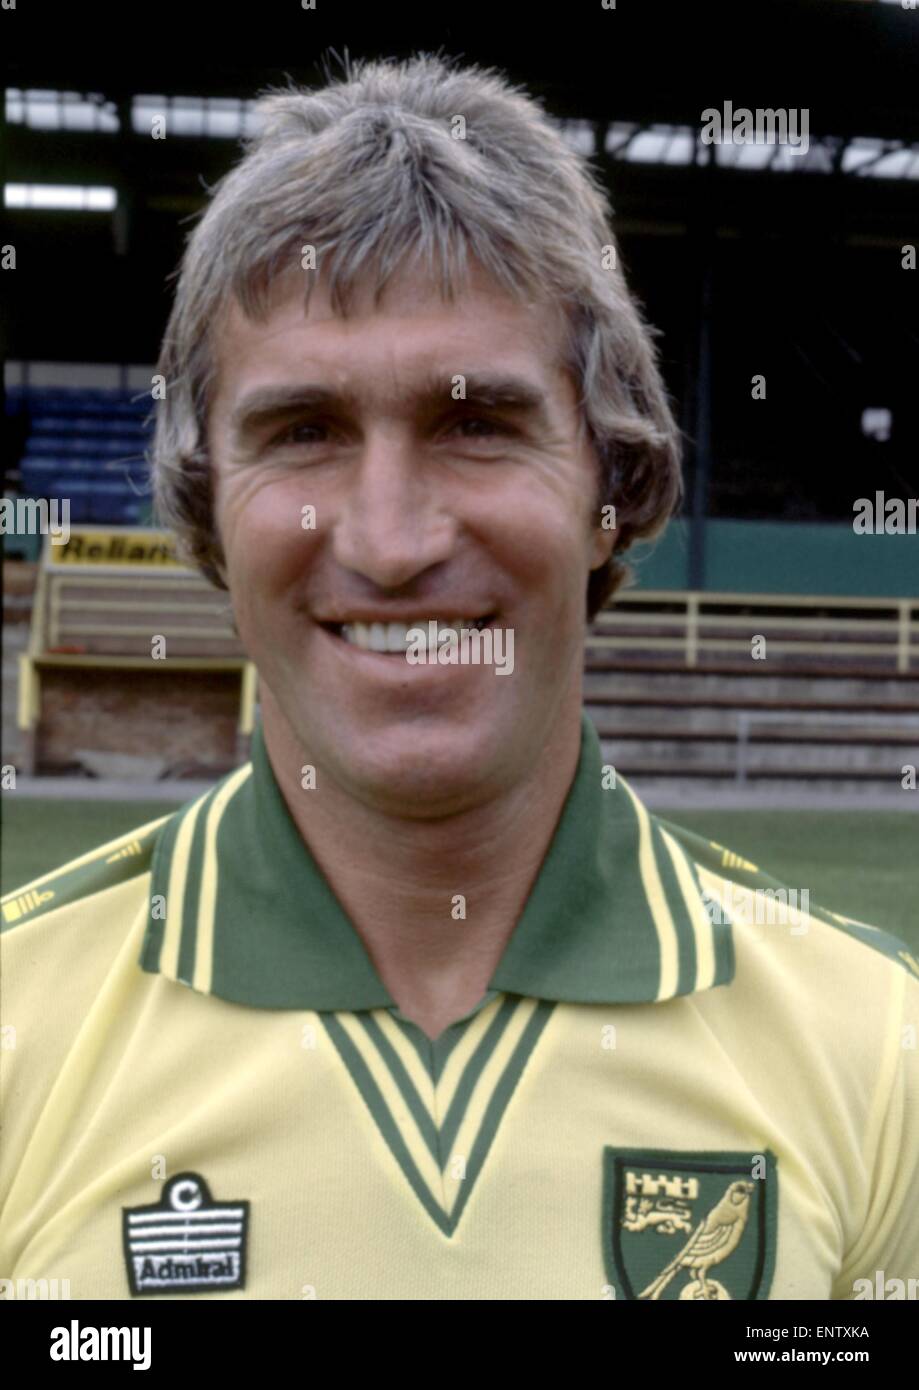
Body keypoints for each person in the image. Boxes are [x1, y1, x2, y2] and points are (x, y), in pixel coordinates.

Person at [1, 53, 916, 1302]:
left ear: (613, 484)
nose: (390, 541)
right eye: (303, 431)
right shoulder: (16, 1029)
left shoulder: (879, 1051)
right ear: (212, 512)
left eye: (476, 421)